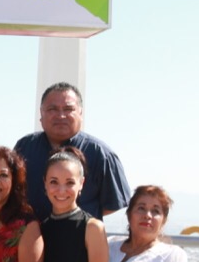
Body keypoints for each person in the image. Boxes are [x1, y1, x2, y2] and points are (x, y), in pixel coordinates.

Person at [14, 82, 131, 221]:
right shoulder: (25, 147)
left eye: (68, 109)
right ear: (41, 113)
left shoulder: (101, 154)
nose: (61, 115)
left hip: (79, 239)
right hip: (29, 237)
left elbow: (113, 204)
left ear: (80, 113)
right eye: (52, 109)